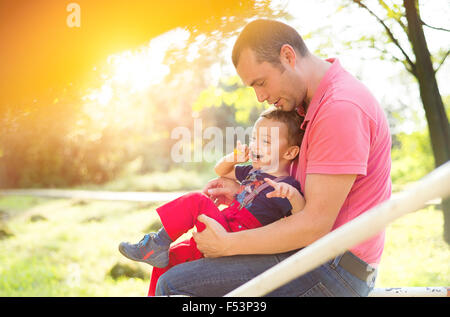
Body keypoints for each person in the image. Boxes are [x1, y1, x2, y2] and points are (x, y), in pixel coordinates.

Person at [153, 19, 392, 297]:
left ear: (288, 57)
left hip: (332, 271)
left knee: (173, 285)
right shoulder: (310, 104)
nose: (260, 97)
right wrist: (248, 193)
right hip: (313, 256)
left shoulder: (340, 107)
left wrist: (228, 243)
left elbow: (313, 224)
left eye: (261, 82)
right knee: (177, 264)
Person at [118, 108, 306, 295]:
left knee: (197, 201)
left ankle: (158, 241)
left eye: (265, 141)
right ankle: (156, 253)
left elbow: (301, 219)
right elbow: (221, 170)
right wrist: (233, 158)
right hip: (224, 223)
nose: (256, 145)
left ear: (290, 152)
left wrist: (294, 197)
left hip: (237, 237)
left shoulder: (286, 185)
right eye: (254, 139)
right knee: (169, 258)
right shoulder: (251, 171)